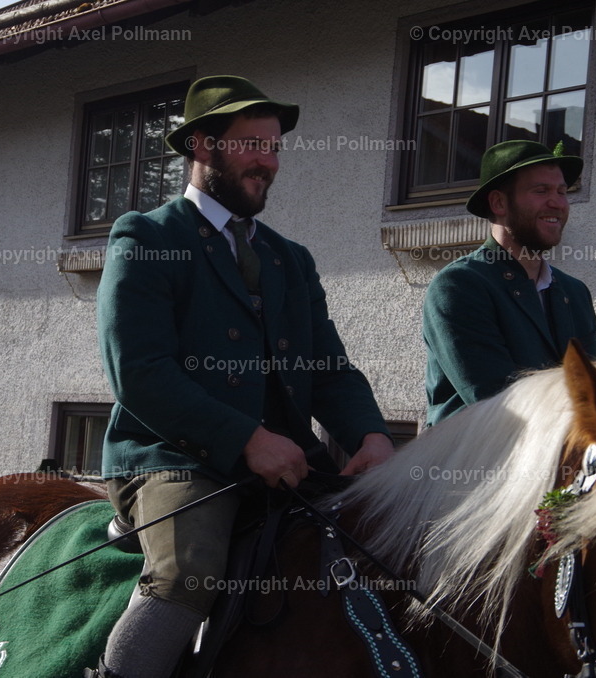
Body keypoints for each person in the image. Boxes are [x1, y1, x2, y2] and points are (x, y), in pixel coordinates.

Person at [92, 75, 394, 678]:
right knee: (189, 573)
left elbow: (328, 370)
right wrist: (248, 441)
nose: (269, 161)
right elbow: (140, 372)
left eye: (275, 147)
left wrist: (372, 438)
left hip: (292, 462)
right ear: (203, 146)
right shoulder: (147, 236)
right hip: (174, 459)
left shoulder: (290, 258)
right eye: (253, 144)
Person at [422, 140, 596, 426]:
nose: (557, 202)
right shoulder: (459, 285)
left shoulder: (575, 292)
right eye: (541, 191)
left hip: (560, 461)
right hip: (473, 463)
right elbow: (500, 403)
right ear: (499, 203)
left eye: (561, 191)